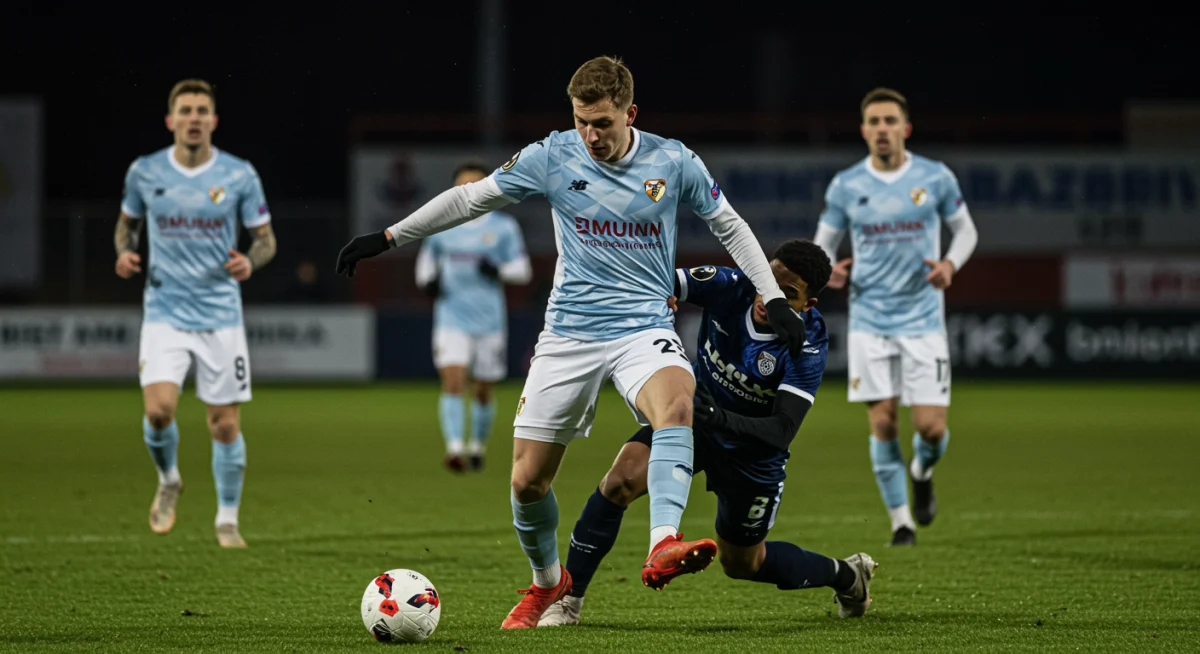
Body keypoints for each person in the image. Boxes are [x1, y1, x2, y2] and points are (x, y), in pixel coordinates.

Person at [335, 56, 808, 629]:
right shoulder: (552, 155)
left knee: (678, 405)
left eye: (603, 123)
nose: (591, 135)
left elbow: (729, 223)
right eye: (582, 121)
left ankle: (663, 542)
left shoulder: (673, 161)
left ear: (630, 114)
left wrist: (774, 298)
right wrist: (389, 237)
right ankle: (547, 583)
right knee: (527, 481)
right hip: (568, 333)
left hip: (642, 326)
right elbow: (468, 200)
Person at [538, 240, 878, 626]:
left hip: (752, 456)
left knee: (743, 562)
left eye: (788, 293)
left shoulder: (807, 343)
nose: (770, 295)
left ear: (807, 305)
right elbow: (655, 280)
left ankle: (847, 576)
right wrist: (652, 298)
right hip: (692, 421)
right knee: (618, 482)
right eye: (768, 279)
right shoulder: (730, 286)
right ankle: (567, 602)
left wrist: (720, 417)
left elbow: (783, 430)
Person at [114, 79, 277, 549]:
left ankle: (227, 520)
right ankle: (169, 478)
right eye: (185, 110)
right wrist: (124, 255)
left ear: (213, 121)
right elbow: (126, 229)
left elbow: (265, 239)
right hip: (164, 312)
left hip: (220, 317)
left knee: (223, 424)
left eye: (202, 110)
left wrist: (251, 259)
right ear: (170, 120)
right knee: (159, 411)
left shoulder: (239, 174)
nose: (193, 118)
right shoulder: (144, 172)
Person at [812, 87, 979, 546]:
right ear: (864, 130)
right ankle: (902, 522)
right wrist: (830, 270)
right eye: (873, 122)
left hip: (924, 320)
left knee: (931, 427)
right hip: (870, 321)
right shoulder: (847, 185)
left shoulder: (935, 178)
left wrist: (949, 265)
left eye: (890, 121)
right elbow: (823, 241)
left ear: (905, 129)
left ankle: (922, 470)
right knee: (883, 421)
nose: (882, 129)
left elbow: (966, 231)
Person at [414, 159, 532, 473]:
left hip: (489, 322)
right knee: (452, 381)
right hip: (451, 318)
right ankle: (454, 448)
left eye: (475, 184)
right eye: (462, 184)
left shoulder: (503, 227)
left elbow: (522, 270)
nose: (468, 190)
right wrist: (429, 281)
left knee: (482, 389)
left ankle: (477, 446)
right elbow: (425, 267)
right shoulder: (441, 225)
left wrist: (499, 269)